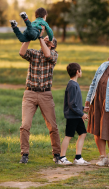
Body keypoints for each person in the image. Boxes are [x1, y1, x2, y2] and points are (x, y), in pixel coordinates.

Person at [18, 26, 60, 164]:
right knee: (25, 125)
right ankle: (24, 154)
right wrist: (29, 37)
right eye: (44, 37)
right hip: (29, 93)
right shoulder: (34, 53)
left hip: (45, 94)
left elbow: (47, 55)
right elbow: (22, 52)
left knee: (53, 127)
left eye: (48, 38)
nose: (45, 38)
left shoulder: (54, 55)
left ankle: (57, 154)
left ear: (52, 44)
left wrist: (41, 36)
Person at [58, 63, 90, 165]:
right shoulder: (72, 85)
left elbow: (75, 103)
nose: (81, 72)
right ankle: (62, 158)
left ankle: (78, 158)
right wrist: (82, 114)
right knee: (68, 136)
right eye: (81, 70)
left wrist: (83, 109)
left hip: (77, 115)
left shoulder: (75, 84)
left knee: (83, 133)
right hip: (73, 116)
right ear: (77, 71)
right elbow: (71, 104)